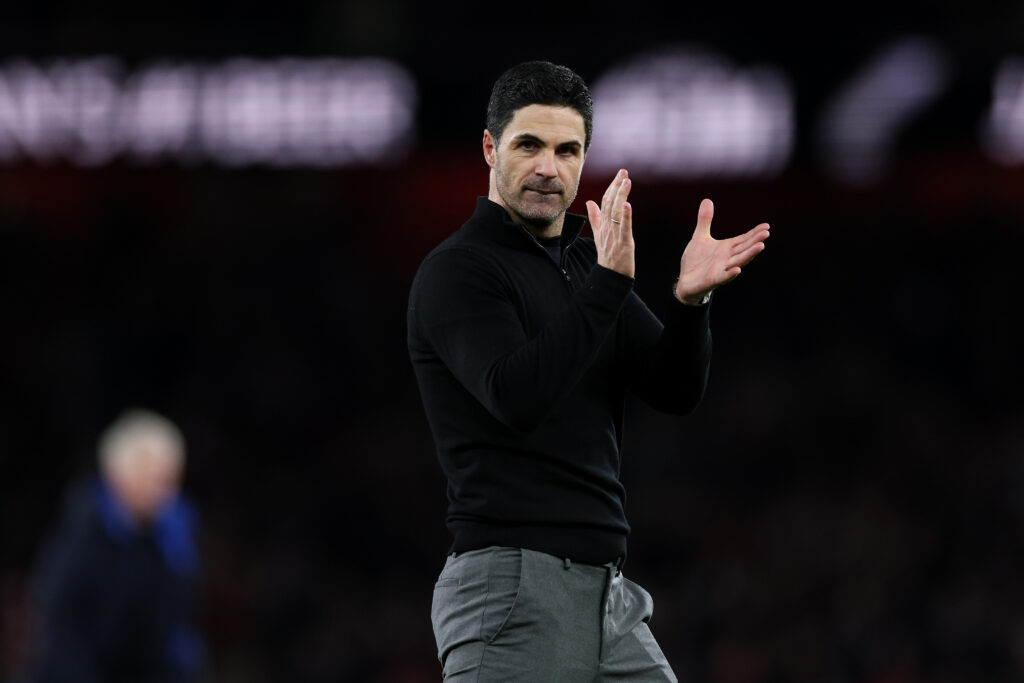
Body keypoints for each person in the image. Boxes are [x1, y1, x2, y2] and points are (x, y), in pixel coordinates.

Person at [407, 60, 769, 681]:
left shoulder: (581, 267)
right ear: (490, 148)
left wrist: (689, 304)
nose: (549, 167)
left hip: (609, 596)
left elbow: (674, 390)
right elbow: (516, 396)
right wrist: (606, 285)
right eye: (529, 145)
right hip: (512, 588)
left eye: (567, 150)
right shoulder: (460, 271)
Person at [26, 409, 204, 683]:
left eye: (165, 477)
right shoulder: (83, 529)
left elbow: (178, 629)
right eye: (145, 473)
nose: (155, 486)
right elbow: (60, 624)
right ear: (115, 475)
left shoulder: (178, 534)